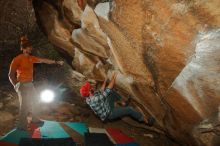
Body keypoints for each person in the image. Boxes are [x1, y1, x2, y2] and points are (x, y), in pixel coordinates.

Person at [8, 36, 64, 131]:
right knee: (24, 106)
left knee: (35, 101)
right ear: (24, 48)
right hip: (21, 84)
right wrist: (16, 85)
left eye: (31, 47)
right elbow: (10, 74)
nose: (31, 48)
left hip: (30, 84)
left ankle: (34, 119)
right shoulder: (17, 59)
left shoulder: (31, 58)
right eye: (29, 47)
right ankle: (21, 125)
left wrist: (56, 62)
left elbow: (43, 60)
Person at [80, 72, 155, 126]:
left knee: (111, 93)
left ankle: (123, 102)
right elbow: (108, 88)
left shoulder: (89, 97)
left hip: (106, 107)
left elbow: (101, 90)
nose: (90, 87)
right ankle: (146, 121)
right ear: (89, 92)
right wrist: (114, 76)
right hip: (109, 114)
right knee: (129, 109)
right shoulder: (95, 99)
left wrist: (105, 80)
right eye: (89, 88)